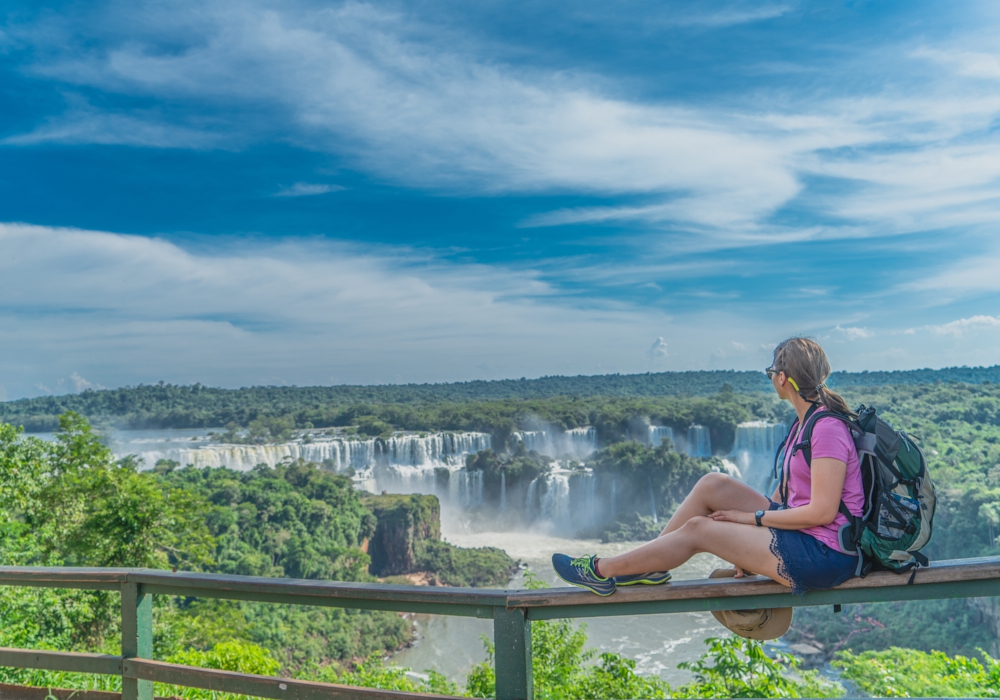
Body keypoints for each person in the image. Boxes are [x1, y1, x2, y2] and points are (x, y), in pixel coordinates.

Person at [552, 337, 863, 596]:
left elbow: (822, 512)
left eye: (772, 371)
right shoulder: (805, 421)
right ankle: (652, 565)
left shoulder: (826, 428)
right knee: (713, 484)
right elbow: (786, 494)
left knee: (699, 529)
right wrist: (746, 544)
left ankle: (601, 570)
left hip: (826, 553)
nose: (771, 377)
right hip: (805, 535)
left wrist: (750, 520)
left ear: (782, 377)